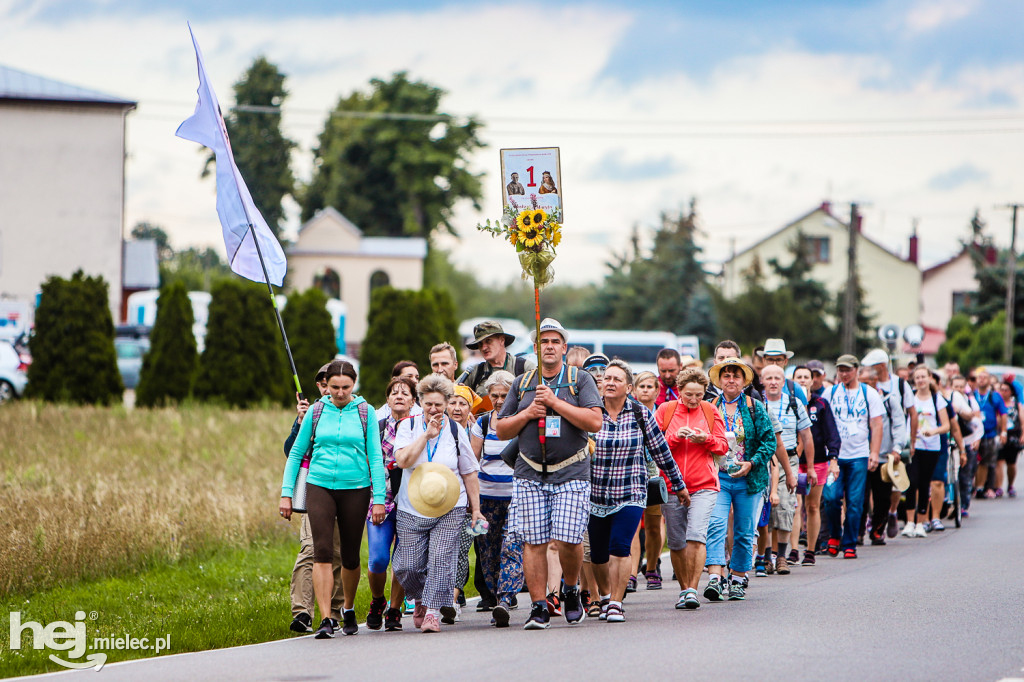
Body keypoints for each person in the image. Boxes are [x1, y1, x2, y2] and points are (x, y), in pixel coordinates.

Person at [495, 318, 603, 629]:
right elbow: (501, 429)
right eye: (544, 342)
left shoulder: (579, 379)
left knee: (568, 540)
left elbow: (594, 422)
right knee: (534, 541)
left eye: (555, 341)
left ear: (564, 348)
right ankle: (539, 606)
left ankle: (571, 589)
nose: (550, 346)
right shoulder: (523, 383)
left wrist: (555, 402)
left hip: (571, 470)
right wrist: (528, 413)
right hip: (529, 471)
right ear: (536, 348)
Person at [280, 360, 387, 639]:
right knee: (322, 552)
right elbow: (295, 454)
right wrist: (286, 494)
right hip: (320, 485)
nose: (339, 393)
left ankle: (348, 608)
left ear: (354, 385)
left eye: (345, 387)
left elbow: (376, 457)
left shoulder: (366, 412)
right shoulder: (316, 411)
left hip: (356, 488)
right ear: (326, 386)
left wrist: (379, 499)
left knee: (350, 557)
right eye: (334, 387)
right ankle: (326, 618)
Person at [584, 359, 686, 623]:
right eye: (607, 378)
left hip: (631, 492)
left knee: (619, 547)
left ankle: (616, 602)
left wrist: (678, 484)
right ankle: (605, 596)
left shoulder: (640, 413)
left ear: (628, 387)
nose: (610, 382)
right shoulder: (590, 413)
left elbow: (661, 452)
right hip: (594, 495)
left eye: (617, 379)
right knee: (597, 553)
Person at [392, 374, 485, 633]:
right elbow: (402, 461)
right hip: (412, 506)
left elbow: (469, 471)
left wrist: (476, 509)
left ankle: (432, 611)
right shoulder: (408, 427)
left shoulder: (456, 430)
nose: (434, 409)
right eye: (428, 404)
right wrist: (426, 436)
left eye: (439, 404)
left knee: (441, 559)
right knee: (407, 566)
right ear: (419, 402)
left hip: (450, 506)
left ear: (446, 402)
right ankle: (420, 598)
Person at [703, 358, 775, 602]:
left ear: (744, 381)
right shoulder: (709, 406)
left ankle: (737, 579)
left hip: (749, 479)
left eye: (736, 375)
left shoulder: (755, 407)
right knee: (716, 526)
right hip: (718, 477)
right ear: (719, 380)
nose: (731, 379)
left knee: (744, 532)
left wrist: (751, 463)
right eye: (726, 375)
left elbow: (769, 442)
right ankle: (715, 577)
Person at [656, 368, 727, 609]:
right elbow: (653, 447)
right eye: (688, 395)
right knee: (676, 542)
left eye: (699, 395)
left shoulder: (710, 410)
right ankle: (684, 589)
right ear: (679, 391)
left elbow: (723, 446)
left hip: (704, 484)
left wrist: (704, 439)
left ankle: (693, 590)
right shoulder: (665, 411)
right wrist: (675, 437)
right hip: (672, 484)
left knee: (696, 535)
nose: (694, 400)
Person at [283, 364, 344, 634]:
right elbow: (290, 451)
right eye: (321, 383)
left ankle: (333, 611)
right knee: (311, 549)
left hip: (346, 489)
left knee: (339, 553)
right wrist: (299, 423)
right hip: (314, 489)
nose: (325, 387)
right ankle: (302, 612)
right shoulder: (311, 413)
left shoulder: (353, 412)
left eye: (329, 382)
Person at [470, 371, 523, 627]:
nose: (500, 400)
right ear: (488, 397)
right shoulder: (480, 424)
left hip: (515, 500)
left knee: (510, 547)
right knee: (487, 553)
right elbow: (471, 462)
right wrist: (473, 504)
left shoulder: (520, 422)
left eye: (504, 395)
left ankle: (505, 598)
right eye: (495, 395)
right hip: (485, 501)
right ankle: (494, 598)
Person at [365, 376, 417, 632]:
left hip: (412, 501)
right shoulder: (377, 427)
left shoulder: (420, 427)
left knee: (404, 561)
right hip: (382, 500)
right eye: (394, 392)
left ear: (413, 400)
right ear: (387, 399)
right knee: (378, 559)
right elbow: (370, 464)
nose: (399, 396)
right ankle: (378, 600)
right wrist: (376, 500)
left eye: (405, 393)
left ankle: (395, 610)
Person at [823, 355, 883, 559]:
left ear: (857, 370)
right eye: (840, 370)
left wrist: (874, 452)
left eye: (848, 370)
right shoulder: (830, 392)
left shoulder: (869, 393)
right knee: (831, 497)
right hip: (834, 457)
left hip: (859, 455)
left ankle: (849, 542)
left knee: (855, 501)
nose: (844, 373)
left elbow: (877, 424)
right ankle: (835, 535)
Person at [760, 364, 813, 575]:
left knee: (785, 507)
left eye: (777, 378)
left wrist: (810, 467)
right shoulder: (757, 404)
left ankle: (782, 556)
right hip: (764, 461)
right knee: (764, 509)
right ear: (762, 381)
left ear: (784, 382)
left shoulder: (795, 403)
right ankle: (765, 557)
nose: (773, 382)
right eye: (769, 378)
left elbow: (807, 436)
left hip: (789, 459)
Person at [792, 365, 840, 565]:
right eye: (799, 377)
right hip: (794, 462)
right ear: (793, 380)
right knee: (795, 505)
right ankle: (793, 549)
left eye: (806, 377)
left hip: (818, 462)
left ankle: (810, 550)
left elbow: (831, 433)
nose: (803, 380)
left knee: (813, 506)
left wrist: (833, 459)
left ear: (813, 381)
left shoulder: (821, 404)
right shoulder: (788, 402)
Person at [858, 366, 907, 546]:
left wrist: (897, 448)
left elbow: (899, 424)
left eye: (866, 382)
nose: (863, 386)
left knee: (882, 497)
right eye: (860, 382)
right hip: (860, 455)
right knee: (859, 497)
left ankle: (878, 530)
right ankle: (858, 532)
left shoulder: (888, 399)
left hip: (883, 456)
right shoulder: (856, 399)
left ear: (874, 381)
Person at [901, 366, 950, 538]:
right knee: (911, 482)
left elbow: (946, 425)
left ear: (929, 378)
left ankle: (921, 522)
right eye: (917, 377)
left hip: (931, 446)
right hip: (913, 446)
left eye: (923, 376)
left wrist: (934, 431)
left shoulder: (938, 399)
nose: (920, 380)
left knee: (924, 484)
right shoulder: (910, 398)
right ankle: (909, 522)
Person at [451, 384, 483, 616]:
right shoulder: (439, 431)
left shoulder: (475, 431)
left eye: (462, 403)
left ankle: (452, 597)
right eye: (452, 402)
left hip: (470, 502)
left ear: (470, 408)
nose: (456, 408)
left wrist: (476, 505)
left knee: (463, 549)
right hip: (443, 500)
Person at [632, 371, 664, 588]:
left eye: (649, 386)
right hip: (632, 475)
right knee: (633, 526)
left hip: (655, 475)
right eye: (641, 386)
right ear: (633, 390)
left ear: (656, 390)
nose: (645, 390)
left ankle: (651, 567)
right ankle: (631, 573)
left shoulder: (663, 414)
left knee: (653, 526)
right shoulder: (628, 412)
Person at [458, 321, 536, 396]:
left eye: (488, 341)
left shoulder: (524, 367)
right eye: (480, 344)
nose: (484, 348)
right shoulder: (475, 372)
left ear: (502, 340)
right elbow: (452, 394)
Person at [973, 368, 1008, 497]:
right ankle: (976, 486)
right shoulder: (971, 394)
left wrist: (1003, 432)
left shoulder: (995, 396)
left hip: (990, 433)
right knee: (974, 462)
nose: (981, 380)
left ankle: (983, 487)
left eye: (984, 377)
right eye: (979, 377)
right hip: (974, 434)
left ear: (989, 381)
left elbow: (1003, 414)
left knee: (987, 462)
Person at [995, 380, 1020, 498]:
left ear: (1011, 392)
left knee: (1011, 463)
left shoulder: (1016, 403)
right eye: (1001, 389)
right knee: (999, 461)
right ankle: (999, 487)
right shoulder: (997, 402)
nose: (1003, 392)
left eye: (1006, 390)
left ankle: (1010, 484)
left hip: (1013, 434)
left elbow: (1022, 419)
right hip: (1000, 434)